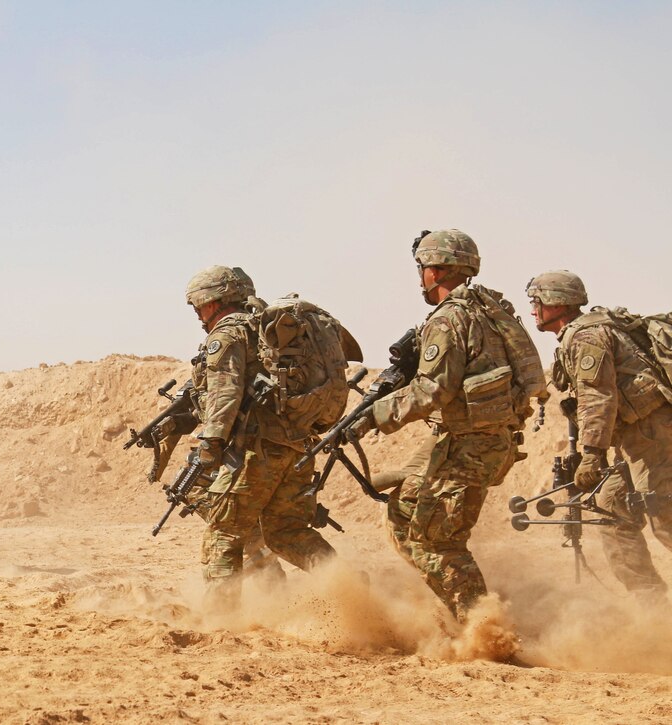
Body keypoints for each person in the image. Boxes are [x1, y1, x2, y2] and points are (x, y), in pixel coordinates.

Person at [349, 230, 535, 621]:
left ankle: (482, 629)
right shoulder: (483, 311)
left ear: (439, 270)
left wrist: (371, 416)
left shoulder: (450, 318)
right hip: (475, 439)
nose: (420, 276)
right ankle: (454, 610)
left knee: (438, 542)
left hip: (472, 443)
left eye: (423, 267)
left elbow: (432, 390)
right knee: (403, 514)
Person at [184, 265, 336, 611]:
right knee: (286, 531)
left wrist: (211, 443)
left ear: (215, 300)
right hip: (296, 445)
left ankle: (220, 617)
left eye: (199, 305)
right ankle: (352, 588)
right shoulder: (265, 329)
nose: (197, 314)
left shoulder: (228, 333)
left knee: (224, 531)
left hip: (254, 450)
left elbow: (225, 393)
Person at [526, 270, 672, 604]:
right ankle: (653, 608)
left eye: (537, 302)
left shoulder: (586, 337)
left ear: (557, 303)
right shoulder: (579, 335)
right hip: (634, 438)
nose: (533, 309)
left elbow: (598, 398)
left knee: (664, 516)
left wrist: (592, 454)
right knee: (610, 507)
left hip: (653, 434)